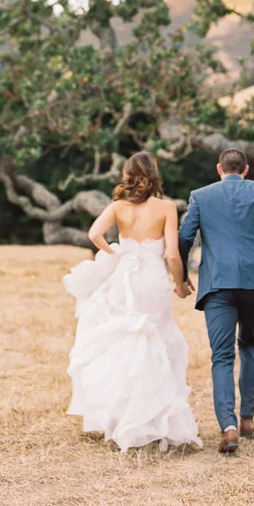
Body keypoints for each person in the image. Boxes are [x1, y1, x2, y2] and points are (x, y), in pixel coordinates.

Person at [63, 152, 202, 452]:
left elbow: (94, 233)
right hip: (153, 280)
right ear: (154, 175)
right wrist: (180, 283)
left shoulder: (117, 207)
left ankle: (121, 419)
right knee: (157, 339)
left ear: (127, 175)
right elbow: (173, 254)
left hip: (124, 279)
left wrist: (115, 253)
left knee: (125, 343)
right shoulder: (166, 207)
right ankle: (154, 422)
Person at [178, 148, 254, 454]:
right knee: (250, 344)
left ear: (219, 168)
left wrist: (181, 274)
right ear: (245, 170)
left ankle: (228, 427)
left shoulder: (201, 196)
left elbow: (185, 236)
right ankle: (247, 420)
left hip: (218, 283)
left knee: (222, 356)